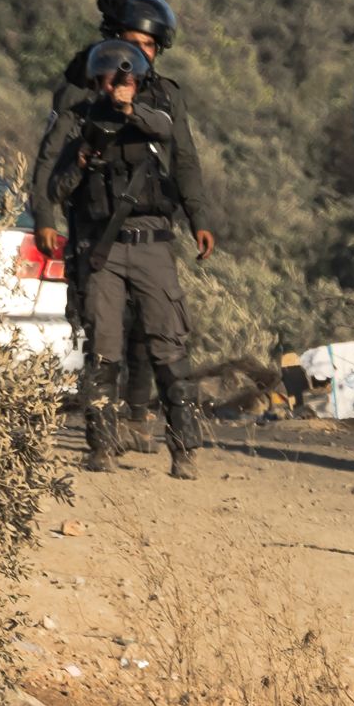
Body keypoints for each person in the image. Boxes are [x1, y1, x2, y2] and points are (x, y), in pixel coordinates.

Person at [42, 26, 215, 479]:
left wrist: (126, 107)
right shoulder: (79, 121)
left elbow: (170, 134)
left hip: (152, 244)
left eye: (122, 78)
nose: (111, 86)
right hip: (102, 250)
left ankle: (185, 450)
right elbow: (56, 188)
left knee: (168, 347)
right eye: (104, 80)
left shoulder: (151, 116)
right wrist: (81, 158)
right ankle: (101, 446)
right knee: (103, 350)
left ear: (138, 81)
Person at [30, 0, 163, 453]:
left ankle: (138, 417)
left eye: (149, 47)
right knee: (98, 333)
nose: (140, 56)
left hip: (141, 228)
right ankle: (101, 433)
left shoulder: (156, 93)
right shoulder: (81, 90)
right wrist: (44, 217)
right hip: (90, 226)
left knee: (147, 328)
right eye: (133, 43)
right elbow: (49, 160)